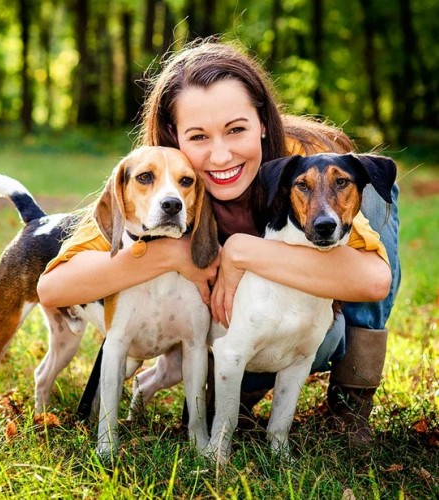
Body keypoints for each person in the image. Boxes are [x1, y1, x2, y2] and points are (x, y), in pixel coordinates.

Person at [37, 40, 400, 447]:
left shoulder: (304, 161)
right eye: (198, 136)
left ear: (263, 122)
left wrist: (241, 252)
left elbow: (373, 281)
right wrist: (172, 252)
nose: (222, 154)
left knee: (374, 192)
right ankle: (236, 390)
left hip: (308, 329)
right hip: (228, 336)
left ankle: (352, 403)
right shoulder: (161, 180)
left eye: (236, 129)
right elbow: (54, 288)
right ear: (174, 139)